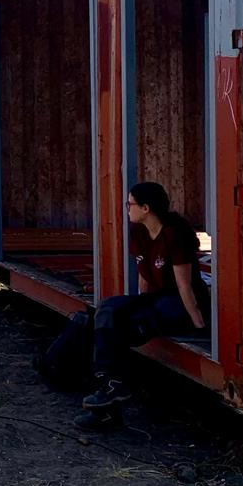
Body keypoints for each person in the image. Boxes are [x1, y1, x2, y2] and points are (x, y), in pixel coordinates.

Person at [39, 181, 209, 430]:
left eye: (130, 204)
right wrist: (135, 304)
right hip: (157, 299)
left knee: (118, 330)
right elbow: (144, 277)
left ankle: (107, 404)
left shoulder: (174, 234)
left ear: (146, 208)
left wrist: (199, 325)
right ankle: (108, 385)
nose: (127, 208)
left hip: (180, 304)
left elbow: (185, 286)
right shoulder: (139, 232)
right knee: (107, 310)